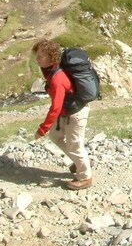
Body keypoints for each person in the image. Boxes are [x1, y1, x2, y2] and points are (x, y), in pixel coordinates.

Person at [33, 39, 93, 190]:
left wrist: (42, 129)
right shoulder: (51, 71)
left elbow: (55, 107)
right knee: (55, 137)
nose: (37, 59)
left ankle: (85, 177)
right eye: (37, 55)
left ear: (50, 57)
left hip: (76, 112)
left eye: (40, 56)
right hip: (67, 112)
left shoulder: (57, 77)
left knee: (75, 145)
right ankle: (81, 162)